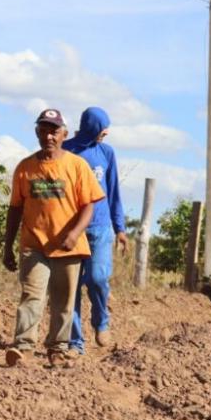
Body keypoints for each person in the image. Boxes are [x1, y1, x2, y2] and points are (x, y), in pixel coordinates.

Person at [3, 109, 105, 367]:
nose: (49, 136)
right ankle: (23, 348)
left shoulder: (76, 166)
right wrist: (7, 247)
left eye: (54, 131)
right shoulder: (25, 168)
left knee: (63, 301)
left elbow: (89, 205)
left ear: (64, 134)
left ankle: (57, 349)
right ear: (37, 132)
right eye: (44, 130)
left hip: (68, 247)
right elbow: (15, 208)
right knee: (32, 295)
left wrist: (74, 233)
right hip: (34, 245)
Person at [63, 107, 128, 353]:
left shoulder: (106, 153)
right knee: (72, 287)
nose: (106, 132)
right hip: (70, 231)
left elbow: (113, 192)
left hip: (100, 228)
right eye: (103, 128)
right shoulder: (66, 151)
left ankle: (101, 321)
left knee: (98, 279)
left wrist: (120, 228)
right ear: (92, 127)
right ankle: (75, 342)